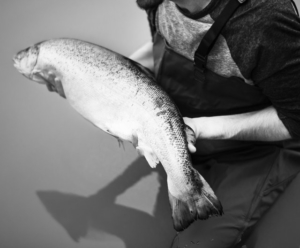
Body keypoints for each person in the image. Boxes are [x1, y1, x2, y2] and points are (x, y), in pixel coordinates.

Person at [131, 0, 300, 247]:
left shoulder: (263, 20)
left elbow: (295, 117)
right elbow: (165, 42)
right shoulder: (155, 2)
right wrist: (104, 74)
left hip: (254, 151)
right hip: (183, 134)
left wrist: (199, 128)